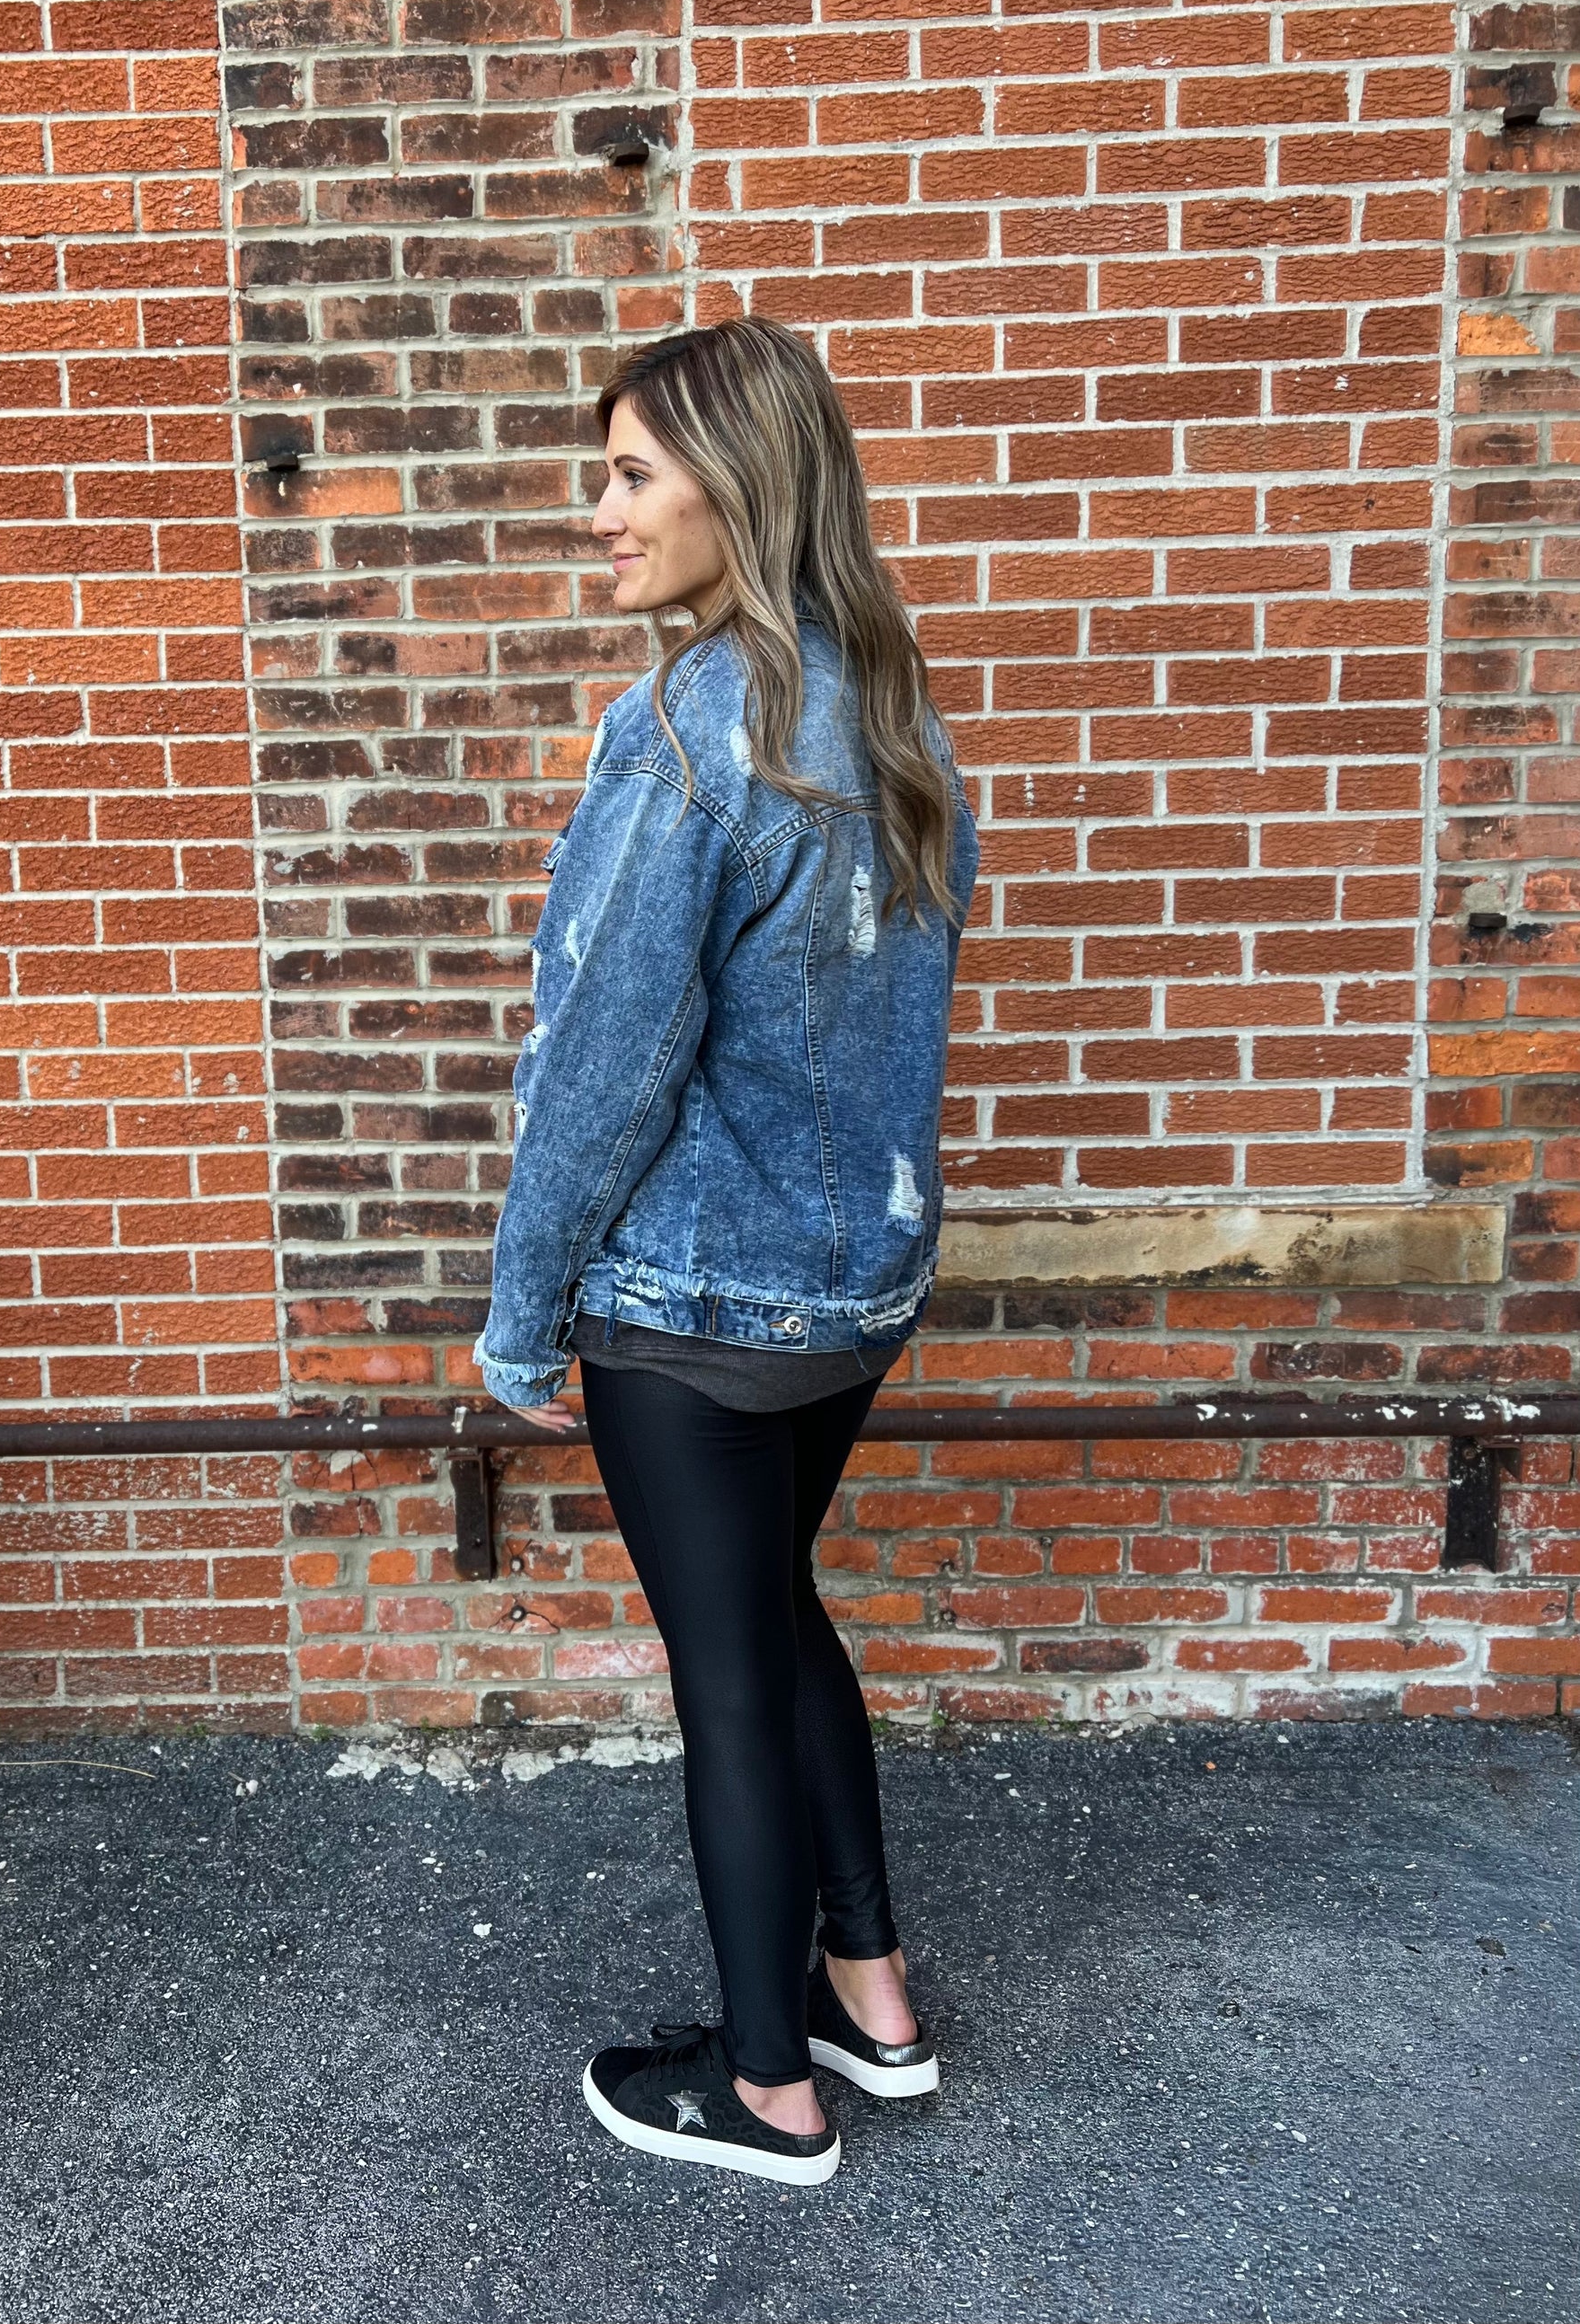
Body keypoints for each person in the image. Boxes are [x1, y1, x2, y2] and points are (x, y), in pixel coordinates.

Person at [472, 315, 980, 2186]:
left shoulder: (690, 725)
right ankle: (873, 2000)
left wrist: (521, 1313)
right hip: (849, 1296)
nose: (597, 511)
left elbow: (607, 1058)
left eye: (630, 475)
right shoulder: (893, 712)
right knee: (776, 1613)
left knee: (729, 1676)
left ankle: (765, 2088)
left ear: (736, 488)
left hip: (690, 1308)